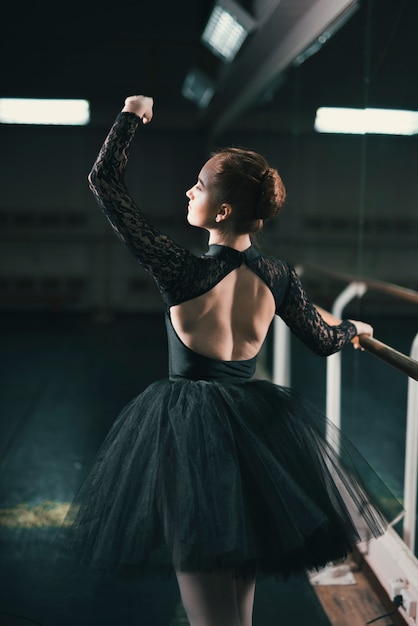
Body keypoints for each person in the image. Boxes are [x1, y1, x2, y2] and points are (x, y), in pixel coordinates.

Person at [63, 95, 401, 626]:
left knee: (206, 606)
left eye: (198, 186)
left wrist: (131, 114)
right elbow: (322, 339)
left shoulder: (181, 271)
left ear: (220, 212)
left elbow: (104, 182)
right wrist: (353, 328)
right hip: (257, 431)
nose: (188, 190)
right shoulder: (280, 277)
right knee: (237, 607)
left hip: (187, 431)